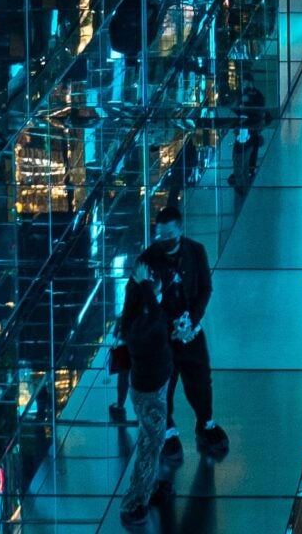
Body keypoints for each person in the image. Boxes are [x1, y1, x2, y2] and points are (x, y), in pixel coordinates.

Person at [138, 203, 223, 465]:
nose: (165, 241)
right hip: (164, 336)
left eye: (170, 235)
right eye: (161, 236)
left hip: (190, 330)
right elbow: (143, 299)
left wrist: (192, 321)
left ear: (180, 230)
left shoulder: (196, 252)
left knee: (199, 378)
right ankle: (169, 430)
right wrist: (168, 324)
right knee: (165, 384)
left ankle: (205, 423)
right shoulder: (149, 258)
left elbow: (206, 288)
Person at [113, 278, 176, 525]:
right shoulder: (147, 328)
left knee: (152, 443)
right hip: (151, 396)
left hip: (149, 392)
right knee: (150, 447)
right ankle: (133, 503)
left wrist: (145, 288)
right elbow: (160, 317)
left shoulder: (132, 323)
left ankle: (148, 489)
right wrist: (148, 288)